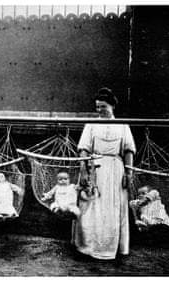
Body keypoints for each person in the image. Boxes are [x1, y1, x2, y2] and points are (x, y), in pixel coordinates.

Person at [72, 87, 136, 260]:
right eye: (97, 107)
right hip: (95, 169)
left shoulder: (122, 125)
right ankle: (88, 247)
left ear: (112, 106)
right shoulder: (91, 125)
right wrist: (84, 170)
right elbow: (83, 149)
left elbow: (129, 150)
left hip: (115, 170)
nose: (99, 110)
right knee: (92, 207)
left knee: (112, 208)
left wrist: (128, 174)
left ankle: (109, 247)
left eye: (103, 107)